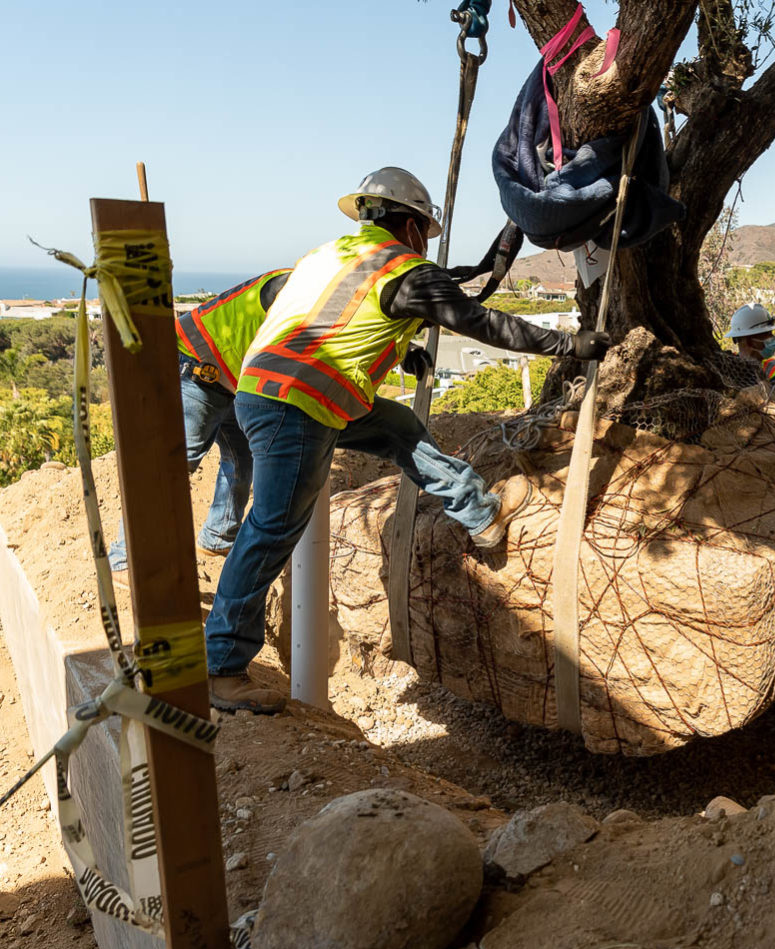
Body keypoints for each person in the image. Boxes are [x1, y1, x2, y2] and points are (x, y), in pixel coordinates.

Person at [202, 167, 610, 714]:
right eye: (427, 232)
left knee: (398, 430)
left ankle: (476, 511)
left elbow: (334, 323)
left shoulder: (328, 255)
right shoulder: (406, 270)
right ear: (413, 226)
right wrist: (568, 345)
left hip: (275, 390)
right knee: (272, 528)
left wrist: (400, 350)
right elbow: (481, 323)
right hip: (298, 405)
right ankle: (221, 666)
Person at [108, 269, 291, 580]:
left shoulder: (304, 285)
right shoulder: (295, 289)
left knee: (243, 455)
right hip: (196, 367)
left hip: (228, 379)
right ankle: (125, 557)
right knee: (173, 465)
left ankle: (219, 538)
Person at [727, 303, 775, 385]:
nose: (772, 337)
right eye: (766, 334)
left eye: (771, 333)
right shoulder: (728, 364)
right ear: (749, 341)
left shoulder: (774, 369)